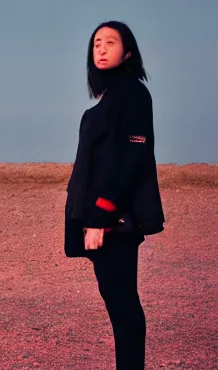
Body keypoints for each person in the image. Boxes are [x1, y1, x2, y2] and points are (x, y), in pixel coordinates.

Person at [64, 21, 165, 369]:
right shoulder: (110, 98)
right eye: (96, 44)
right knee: (119, 307)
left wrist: (98, 219)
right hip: (101, 220)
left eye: (110, 42)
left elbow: (129, 160)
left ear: (129, 52)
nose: (101, 49)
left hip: (113, 223)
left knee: (124, 310)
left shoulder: (134, 94)